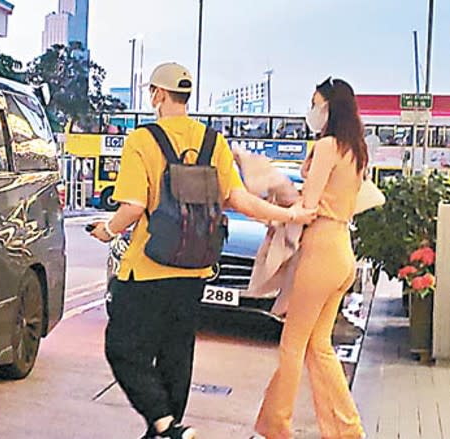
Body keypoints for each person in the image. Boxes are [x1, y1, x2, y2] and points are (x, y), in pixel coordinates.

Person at [88, 62, 316, 439]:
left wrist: (107, 230)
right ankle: (167, 430)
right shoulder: (213, 142)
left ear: (158, 95)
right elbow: (240, 199)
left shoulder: (142, 140)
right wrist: (289, 213)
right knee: (176, 354)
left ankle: (164, 424)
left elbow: (131, 207)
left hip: (147, 268)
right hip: (194, 269)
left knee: (123, 348)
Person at [254, 77, 367, 439]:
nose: (311, 110)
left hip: (319, 250)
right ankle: (346, 429)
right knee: (319, 346)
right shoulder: (356, 150)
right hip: (342, 252)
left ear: (330, 108)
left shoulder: (328, 147)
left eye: (315, 103)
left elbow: (308, 205)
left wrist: (277, 200)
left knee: (293, 344)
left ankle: (277, 425)